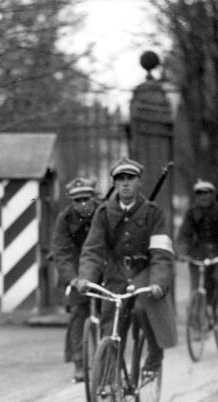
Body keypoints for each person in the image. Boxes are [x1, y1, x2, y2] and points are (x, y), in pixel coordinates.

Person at [74, 156, 177, 380]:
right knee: (110, 327)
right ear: (114, 183)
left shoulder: (153, 213)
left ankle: (154, 356)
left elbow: (161, 252)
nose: (125, 183)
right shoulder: (103, 214)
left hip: (143, 273)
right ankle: (110, 381)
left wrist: (158, 282)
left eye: (130, 178)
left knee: (143, 310)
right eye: (120, 179)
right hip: (116, 276)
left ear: (139, 181)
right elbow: (93, 249)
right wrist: (85, 277)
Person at [51, 177, 99, 383]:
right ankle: (79, 362)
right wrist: (72, 278)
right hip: (76, 272)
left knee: (111, 312)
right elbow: (61, 252)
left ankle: (108, 357)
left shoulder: (104, 213)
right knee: (78, 314)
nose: (82, 204)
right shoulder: (64, 220)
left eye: (86, 199)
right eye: (77, 200)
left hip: (102, 268)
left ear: (93, 198)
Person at [175, 179, 218, 320]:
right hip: (199, 253)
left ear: (212, 194)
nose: (203, 197)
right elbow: (184, 235)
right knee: (197, 286)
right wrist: (182, 253)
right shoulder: (191, 213)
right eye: (199, 193)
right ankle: (197, 321)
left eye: (206, 193)